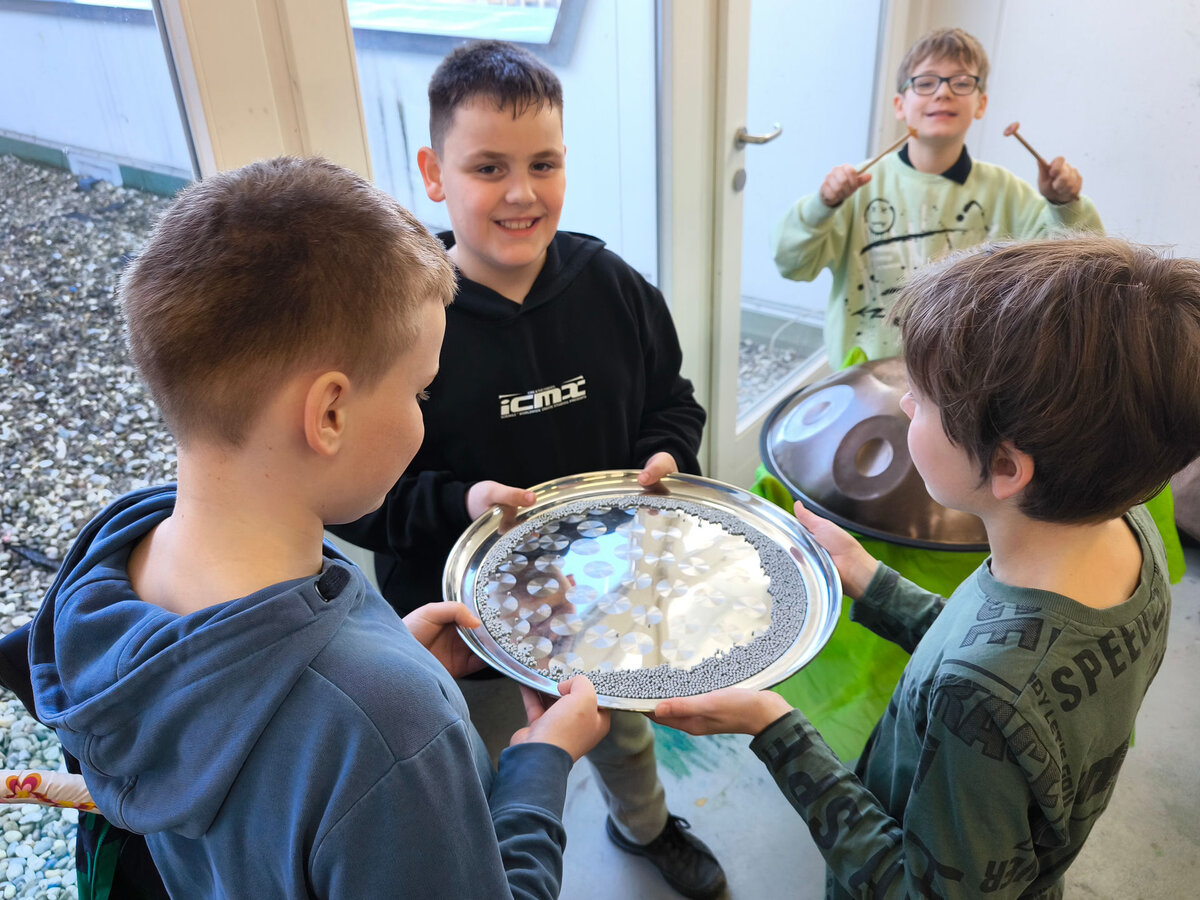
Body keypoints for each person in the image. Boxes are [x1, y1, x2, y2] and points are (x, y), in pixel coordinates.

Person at [28, 156, 610, 900]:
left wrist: (381, 652)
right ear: (329, 412)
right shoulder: (393, 730)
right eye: (420, 392)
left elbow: (238, 714)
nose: (422, 417)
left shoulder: (109, 560)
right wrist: (538, 767)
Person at [653, 236, 1200, 898]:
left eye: (922, 397)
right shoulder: (1125, 534)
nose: (905, 405)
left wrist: (776, 728)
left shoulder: (984, 694)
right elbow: (1010, 650)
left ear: (1005, 466)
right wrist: (871, 581)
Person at [330, 40, 725, 900]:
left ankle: (645, 824)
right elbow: (351, 500)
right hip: (460, 630)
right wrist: (459, 504)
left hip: (606, 605)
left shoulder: (615, 288)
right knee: (471, 771)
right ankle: (485, 870)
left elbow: (672, 402)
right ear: (434, 173)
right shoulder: (398, 325)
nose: (521, 193)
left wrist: (667, 457)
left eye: (543, 164)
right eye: (488, 167)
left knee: (621, 734)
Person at [772, 26, 1103, 367]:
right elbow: (792, 264)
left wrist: (1064, 205)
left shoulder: (1007, 193)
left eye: (961, 82)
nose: (943, 92)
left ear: (981, 103)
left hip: (967, 379)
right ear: (900, 105)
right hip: (865, 377)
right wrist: (823, 206)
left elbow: (1080, 277)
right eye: (925, 82)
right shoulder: (858, 188)